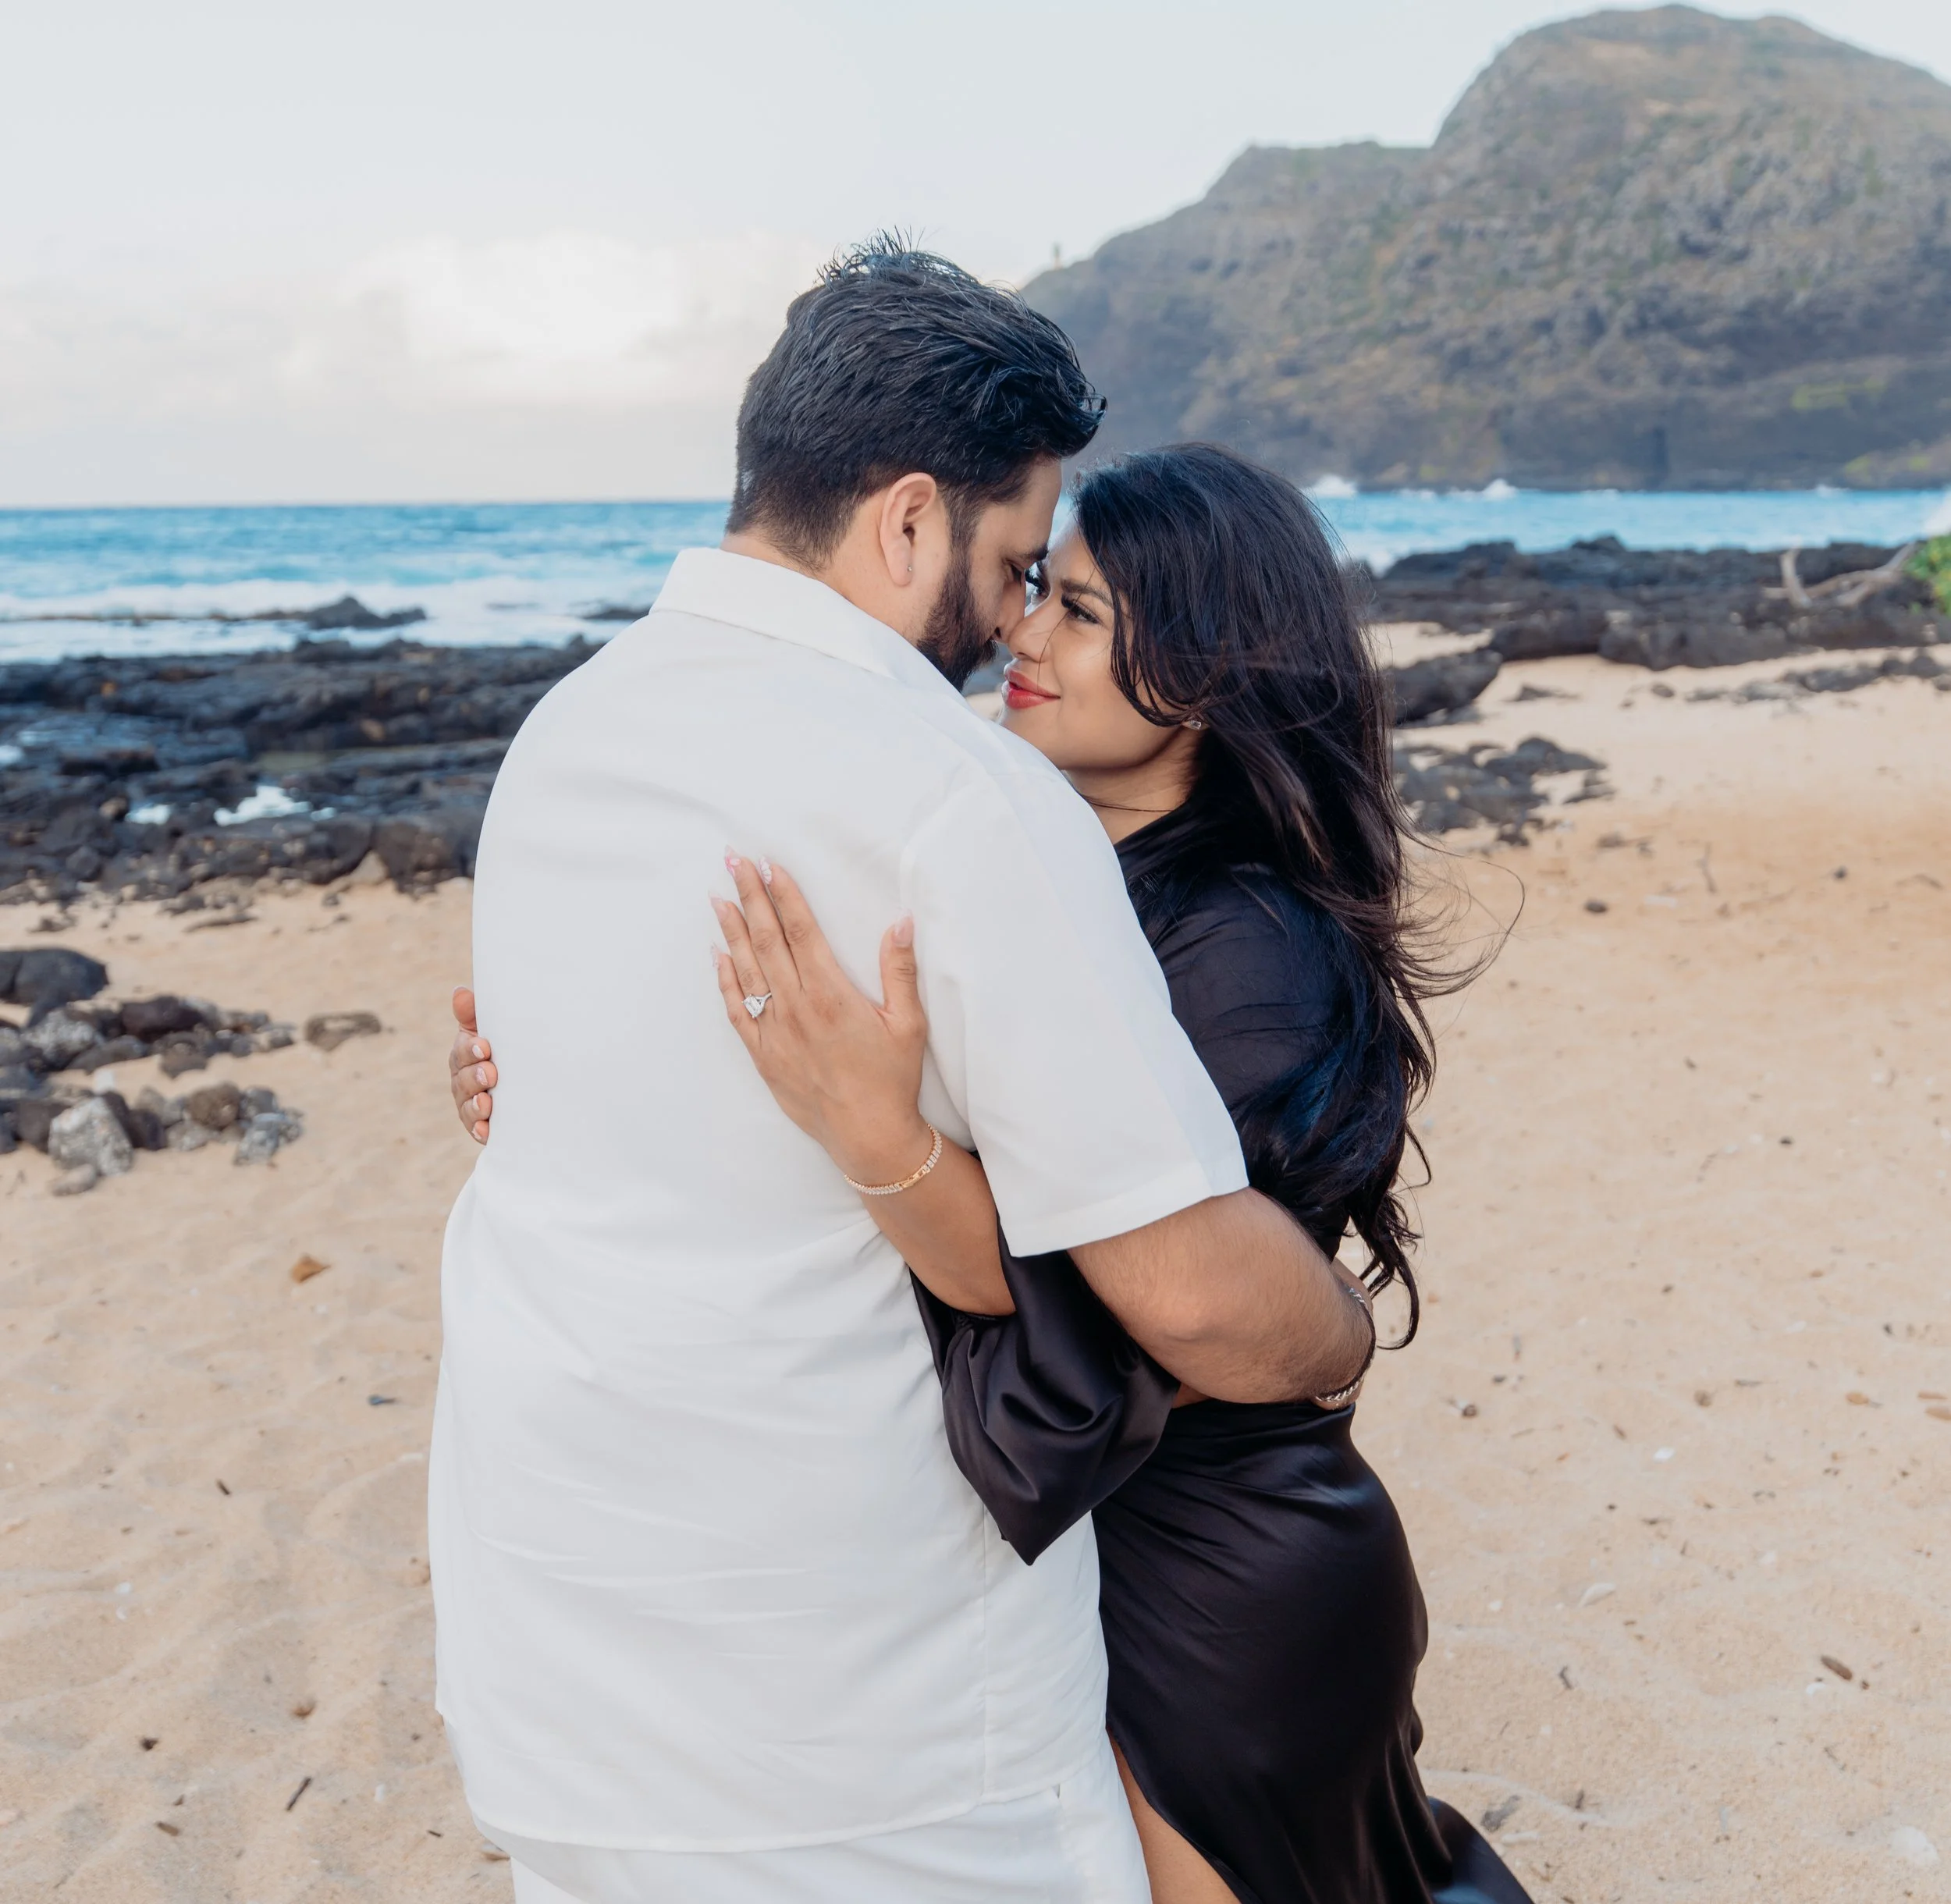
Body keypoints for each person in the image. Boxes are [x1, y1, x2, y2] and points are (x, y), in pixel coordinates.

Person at [453, 443, 1531, 1903]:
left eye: (1074, 609)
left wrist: (882, 1140)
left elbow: (1138, 1308)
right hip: (1104, 1542)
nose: (1019, 631)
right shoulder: (1064, 878)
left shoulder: (1244, 945)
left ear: (1209, 671)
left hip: (1211, 1569)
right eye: (1037, 588)